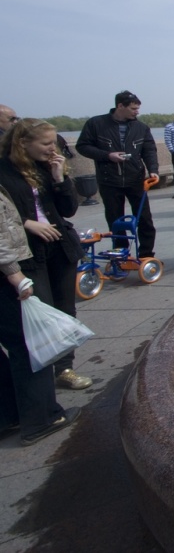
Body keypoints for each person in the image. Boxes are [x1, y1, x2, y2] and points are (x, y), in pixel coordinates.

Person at [0, 118, 92, 391]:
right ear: (23, 143)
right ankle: (40, 378)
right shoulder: (4, 171)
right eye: (46, 143)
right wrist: (28, 223)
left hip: (59, 246)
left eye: (54, 142)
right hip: (28, 251)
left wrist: (59, 177)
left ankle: (65, 368)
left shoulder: (46, 167)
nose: (53, 148)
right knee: (42, 311)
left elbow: (68, 209)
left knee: (65, 309)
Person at [0, 181, 81, 445]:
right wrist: (15, 275)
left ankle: (8, 415)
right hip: (5, 274)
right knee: (27, 344)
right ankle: (42, 419)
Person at [75, 90, 159, 258]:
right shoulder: (96, 123)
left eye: (138, 108)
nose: (137, 112)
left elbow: (149, 150)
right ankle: (121, 253)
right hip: (109, 179)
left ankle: (146, 254)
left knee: (144, 219)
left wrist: (153, 169)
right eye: (133, 108)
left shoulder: (141, 127)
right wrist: (107, 155)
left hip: (136, 178)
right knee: (115, 219)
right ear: (120, 106)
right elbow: (82, 146)